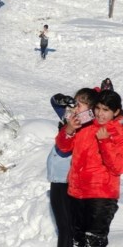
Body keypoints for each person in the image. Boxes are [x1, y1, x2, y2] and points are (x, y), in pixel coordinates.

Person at [55, 90, 123, 246]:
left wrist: (104, 142)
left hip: (101, 196)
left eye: (106, 110)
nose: (100, 114)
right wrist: (69, 129)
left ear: (116, 112)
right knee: (77, 240)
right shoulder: (85, 126)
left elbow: (117, 168)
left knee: (93, 241)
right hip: (76, 192)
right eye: (98, 108)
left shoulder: (118, 132)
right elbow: (64, 148)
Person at [47, 88, 98, 247]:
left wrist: (71, 128)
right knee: (67, 228)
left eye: (80, 106)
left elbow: (65, 147)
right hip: (59, 179)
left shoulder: (89, 128)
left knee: (68, 229)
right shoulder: (71, 117)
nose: (75, 109)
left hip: (70, 181)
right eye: (74, 104)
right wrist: (62, 99)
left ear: (91, 111)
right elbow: (54, 102)